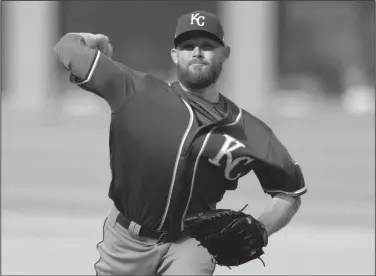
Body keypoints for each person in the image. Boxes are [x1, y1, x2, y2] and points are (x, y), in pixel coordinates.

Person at [53, 10, 307, 275]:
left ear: (225, 53)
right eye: (187, 46)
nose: (197, 52)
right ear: (175, 55)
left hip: (192, 244)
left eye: (208, 46)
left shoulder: (249, 131)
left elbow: (289, 191)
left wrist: (263, 227)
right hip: (125, 242)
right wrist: (90, 40)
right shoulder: (135, 90)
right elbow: (66, 48)